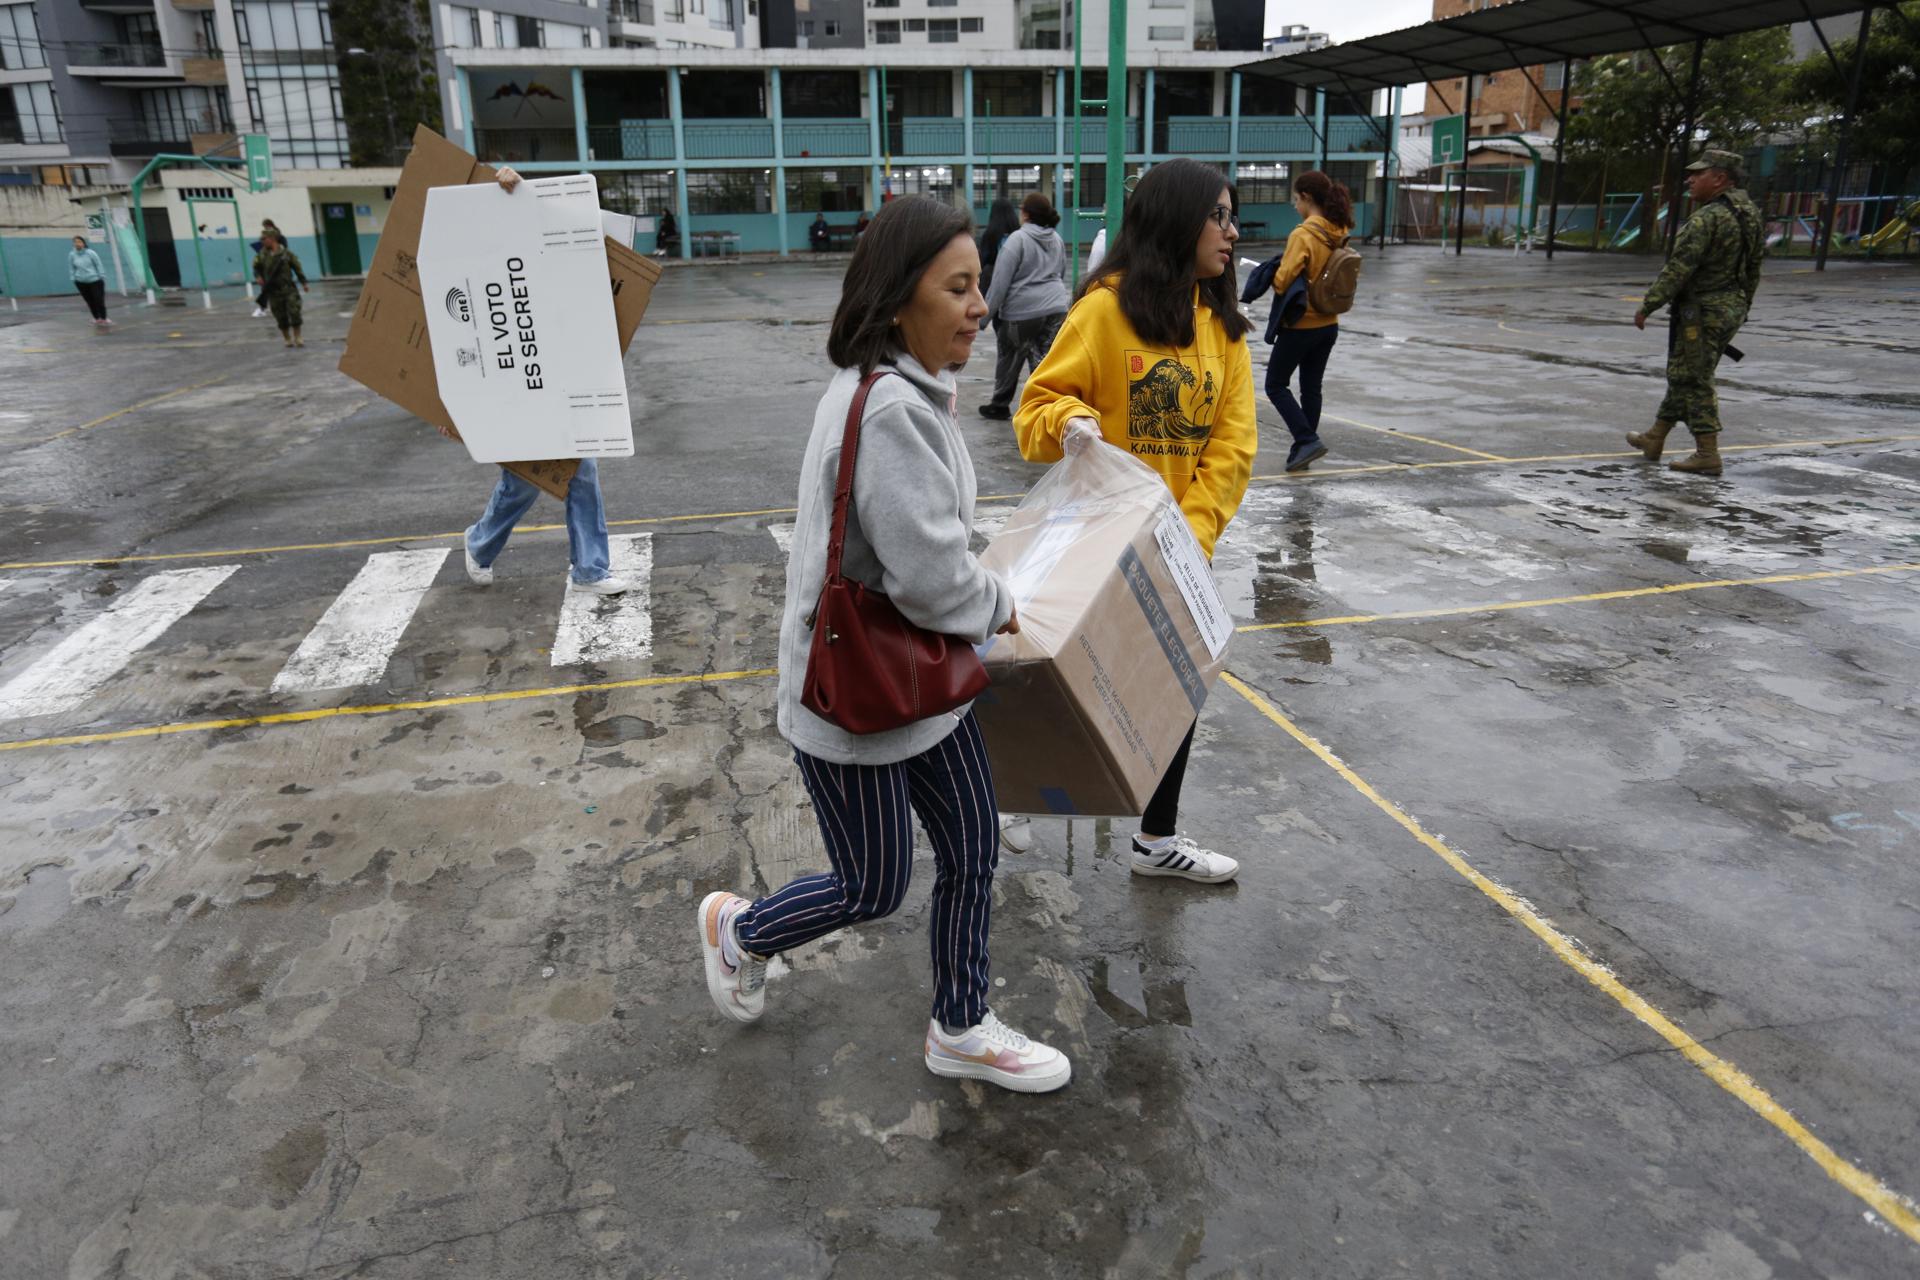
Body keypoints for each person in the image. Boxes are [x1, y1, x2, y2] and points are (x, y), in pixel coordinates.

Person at [697, 195, 1070, 1094]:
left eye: (981, 285)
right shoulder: (893, 409)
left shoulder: (902, 390)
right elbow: (936, 582)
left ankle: (962, 1025)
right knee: (872, 887)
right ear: (901, 297)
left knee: (975, 845)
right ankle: (740, 932)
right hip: (859, 697)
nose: (981, 305)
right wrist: (1010, 603)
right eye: (960, 287)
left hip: (924, 687)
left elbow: (925, 556)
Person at [1012, 157, 1255, 884]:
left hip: (1179, 551)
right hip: (1090, 551)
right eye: (1217, 215)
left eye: (1231, 215)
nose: (1231, 231)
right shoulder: (1103, 312)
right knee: (1054, 679)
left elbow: (1234, 446)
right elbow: (1034, 413)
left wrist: (1188, 538)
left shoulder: (1225, 329)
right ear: (1176, 220)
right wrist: (1075, 420)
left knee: (1178, 688)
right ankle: (1011, 790)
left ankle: (1156, 842)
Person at [446, 166, 634, 598]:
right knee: (524, 480)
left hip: (559, 377)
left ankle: (589, 569)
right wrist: (504, 182)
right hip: (514, 382)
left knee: (580, 472)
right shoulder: (495, 252)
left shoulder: (568, 251)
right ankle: (479, 541)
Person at [1629, 149, 1764, 477]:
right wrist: (1742, 305)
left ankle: (1707, 453)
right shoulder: (1749, 214)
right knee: (1684, 372)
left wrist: (1649, 304)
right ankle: (1655, 437)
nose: (1690, 179)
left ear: (1719, 178)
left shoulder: (1708, 218)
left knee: (1695, 379)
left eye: (1698, 174)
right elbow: (1754, 267)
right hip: (1730, 306)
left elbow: (1678, 268)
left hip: (1703, 311)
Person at [1266, 170, 1354, 472]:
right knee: (1311, 387)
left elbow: (1282, 281)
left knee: (1275, 384)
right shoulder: (1339, 230)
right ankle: (1303, 448)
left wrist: (1275, 269)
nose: (1294, 205)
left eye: (1295, 199)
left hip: (1301, 325)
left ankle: (1306, 438)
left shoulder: (1303, 235)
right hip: (1329, 323)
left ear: (1306, 198)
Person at [979, 192, 1070, 421]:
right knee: (1045, 360)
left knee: (1009, 356)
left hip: (1022, 311)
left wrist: (984, 317)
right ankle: (1046, 406)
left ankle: (1000, 404)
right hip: (1056, 307)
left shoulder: (1017, 240)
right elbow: (1061, 272)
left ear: (1026, 214)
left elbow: (1000, 282)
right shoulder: (1056, 239)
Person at [255, 229, 309, 348]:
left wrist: (304, 282)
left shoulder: (287, 254)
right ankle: (287, 338)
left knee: (295, 312)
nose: (262, 241)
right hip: (273, 291)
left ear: (272, 238)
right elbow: (256, 267)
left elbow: (297, 268)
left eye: (264, 239)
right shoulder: (261, 255)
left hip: (288, 289)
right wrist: (258, 276)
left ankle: (298, 337)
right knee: (280, 316)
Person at [978, 197, 1019, 297]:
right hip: (1016, 278)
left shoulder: (990, 234)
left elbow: (983, 260)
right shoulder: (1019, 233)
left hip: (992, 280)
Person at [69, 235, 111, 329]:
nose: (77, 244)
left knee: (98, 300)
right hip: (80, 281)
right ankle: (96, 318)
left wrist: (101, 275)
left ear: (84, 243)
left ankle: (104, 318)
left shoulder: (90, 253)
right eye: (75, 242)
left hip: (95, 280)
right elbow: (71, 267)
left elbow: (98, 264)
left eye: (79, 242)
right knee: (89, 301)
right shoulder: (72, 254)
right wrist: (73, 278)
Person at [250, 219, 281, 318]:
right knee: (266, 289)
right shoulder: (262, 251)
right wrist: (258, 275)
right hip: (266, 269)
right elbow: (256, 265)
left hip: (277, 268)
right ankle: (262, 308)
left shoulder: (281, 239)